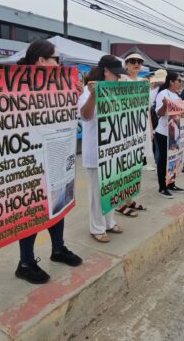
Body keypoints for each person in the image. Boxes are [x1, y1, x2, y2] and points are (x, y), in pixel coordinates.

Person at [13, 39, 83, 284]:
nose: (59, 64)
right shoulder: (17, 85)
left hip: (55, 153)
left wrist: (73, 95)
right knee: (32, 209)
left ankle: (58, 249)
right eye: (56, 59)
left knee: (59, 201)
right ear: (41, 61)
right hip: (30, 158)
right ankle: (26, 262)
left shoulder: (59, 86)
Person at [79, 55, 127, 243]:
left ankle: (109, 221)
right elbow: (85, 115)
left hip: (114, 149)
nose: (118, 78)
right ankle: (96, 227)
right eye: (115, 74)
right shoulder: (87, 90)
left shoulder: (116, 90)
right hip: (96, 150)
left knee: (112, 189)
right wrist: (93, 96)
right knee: (97, 193)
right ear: (105, 71)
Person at [116, 52, 149, 216]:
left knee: (135, 167)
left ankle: (129, 199)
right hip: (124, 130)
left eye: (139, 61)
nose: (136, 64)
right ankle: (120, 201)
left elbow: (146, 108)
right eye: (133, 61)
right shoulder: (121, 80)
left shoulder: (144, 82)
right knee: (123, 167)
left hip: (139, 130)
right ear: (126, 64)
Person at [155, 72, 184, 197]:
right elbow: (160, 113)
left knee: (174, 159)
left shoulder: (177, 95)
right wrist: (164, 105)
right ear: (171, 81)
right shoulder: (163, 94)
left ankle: (171, 183)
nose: (180, 83)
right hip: (163, 132)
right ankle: (162, 187)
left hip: (175, 133)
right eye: (179, 80)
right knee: (163, 161)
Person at [148, 69, 166, 167]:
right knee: (158, 146)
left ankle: (158, 163)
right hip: (156, 122)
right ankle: (158, 164)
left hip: (157, 122)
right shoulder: (153, 91)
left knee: (157, 145)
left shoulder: (154, 91)